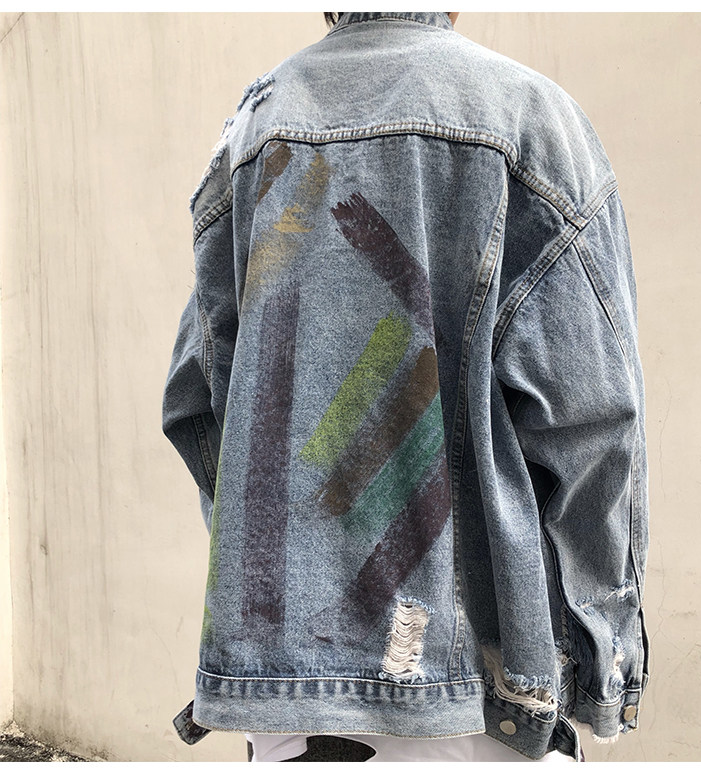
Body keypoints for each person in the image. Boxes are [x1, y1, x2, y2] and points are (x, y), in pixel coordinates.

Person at [162, 11, 650, 763]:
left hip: (288, 702)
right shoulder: (529, 119)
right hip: (480, 699)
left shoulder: (251, 132)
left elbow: (197, 401)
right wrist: (602, 652)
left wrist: (273, 578)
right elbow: (592, 420)